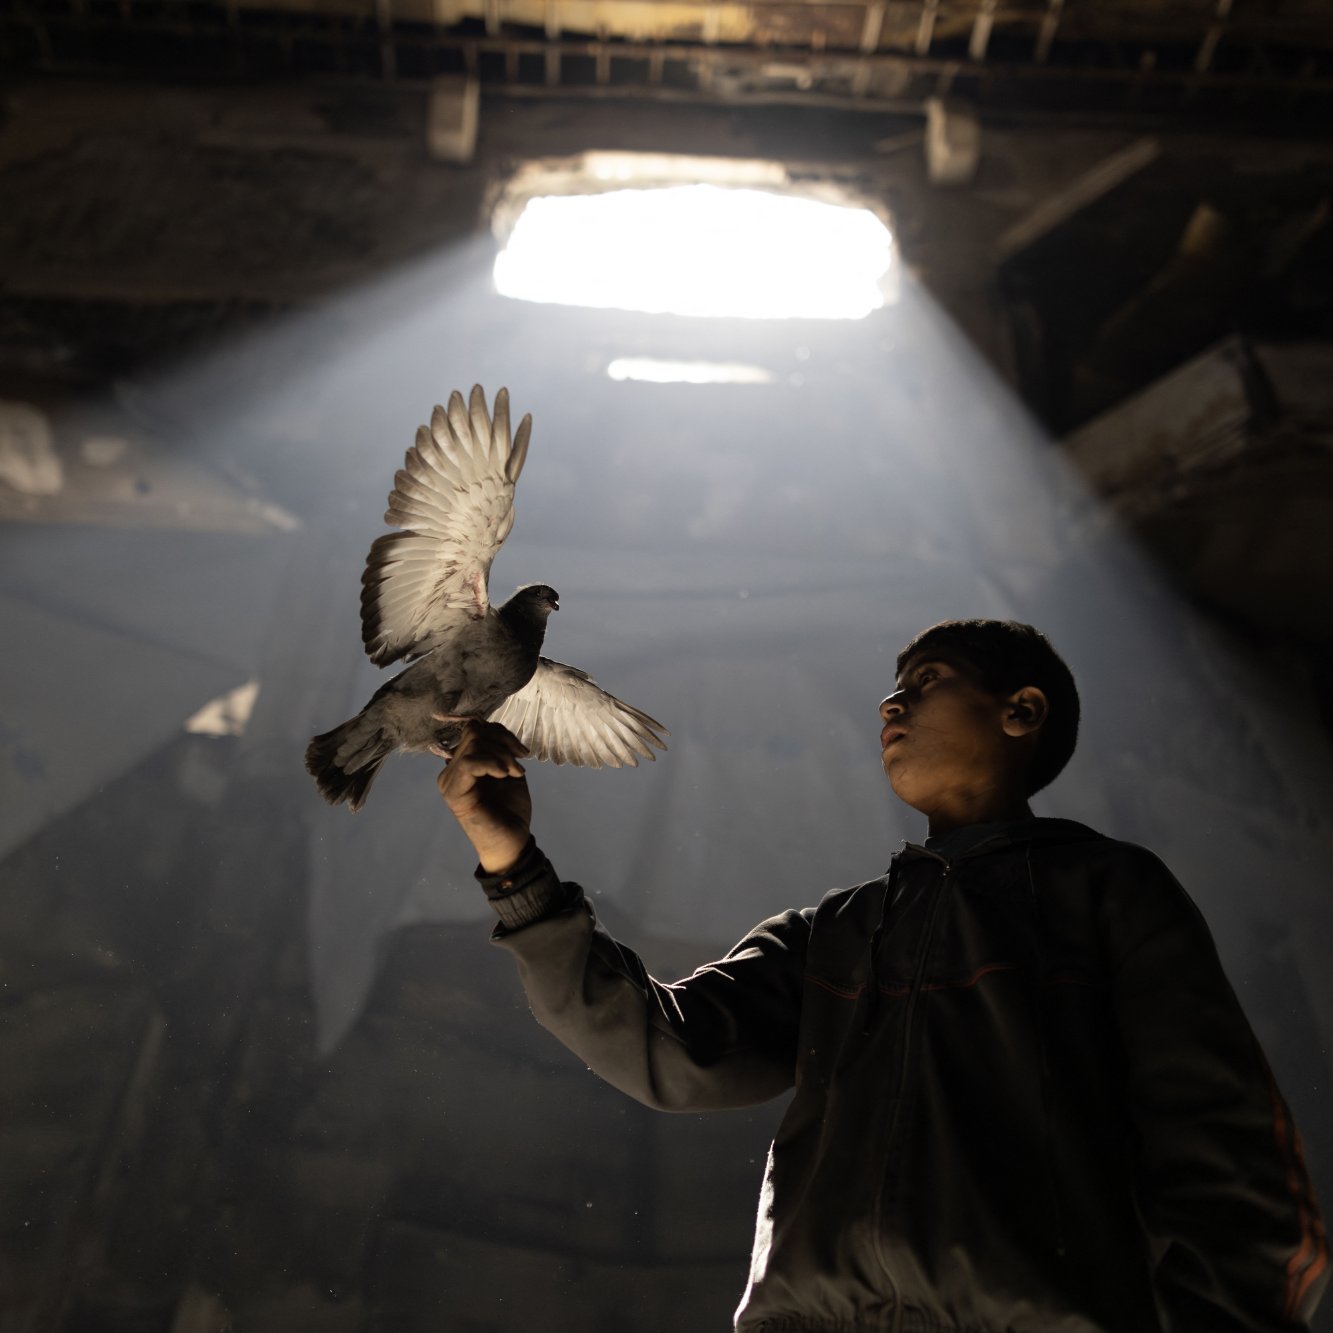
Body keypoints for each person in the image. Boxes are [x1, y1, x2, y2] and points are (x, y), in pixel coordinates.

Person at [437, 618, 1328, 1332]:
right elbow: (666, 1053)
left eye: (927, 679)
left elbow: (1230, 1155)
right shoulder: (837, 933)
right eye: (893, 686)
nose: (889, 702)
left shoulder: (1106, 894)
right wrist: (509, 859)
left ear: (1020, 710)